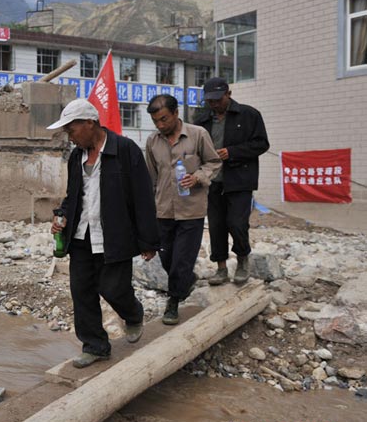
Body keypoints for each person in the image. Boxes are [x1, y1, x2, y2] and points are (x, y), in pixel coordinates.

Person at [49, 99, 160, 368]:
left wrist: (148, 240)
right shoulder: (77, 156)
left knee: (112, 287)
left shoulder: (125, 150)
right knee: (82, 291)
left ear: (90, 123)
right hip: (81, 234)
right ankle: (95, 345)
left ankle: (133, 314)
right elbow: (73, 195)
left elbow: (143, 197)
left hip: (115, 234)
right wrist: (61, 215)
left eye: (72, 130)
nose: (70, 136)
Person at [145, 94, 221, 325]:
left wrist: (197, 177)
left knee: (182, 260)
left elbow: (214, 162)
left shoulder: (198, 135)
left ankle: (173, 303)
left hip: (192, 211)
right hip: (163, 211)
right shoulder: (152, 142)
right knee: (167, 259)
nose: (160, 125)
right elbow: (150, 177)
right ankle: (186, 281)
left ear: (176, 113)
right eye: (156, 121)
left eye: (164, 119)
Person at [194, 78, 270, 285]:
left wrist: (233, 152)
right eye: (210, 101)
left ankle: (243, 260)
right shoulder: (201, 120)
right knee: (216, 226)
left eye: (218, 99)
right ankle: (220, 267)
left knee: (237, 223)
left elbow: (261, 144)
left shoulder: (248, 115)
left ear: (228, 93)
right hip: (212, 181)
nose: (215, 104)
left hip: (239, 180)